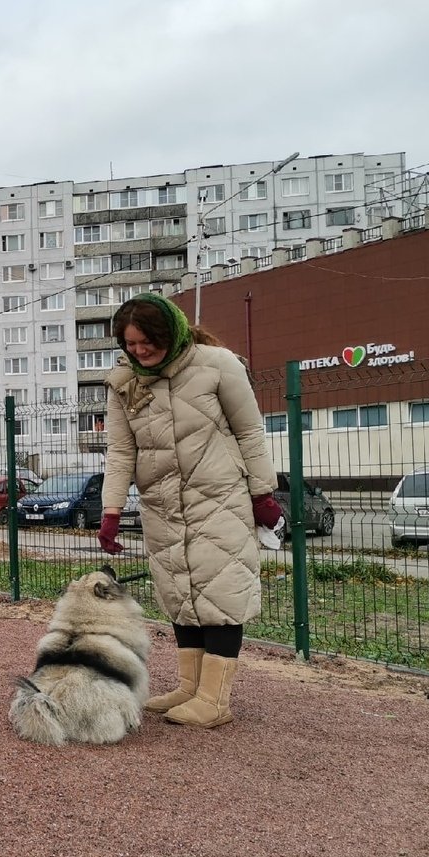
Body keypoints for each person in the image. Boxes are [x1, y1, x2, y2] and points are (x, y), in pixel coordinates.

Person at [97, 292, 282, 729]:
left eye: (147, 342)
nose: (139, 352)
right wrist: (111, 510)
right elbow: (120, 451)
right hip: (161, 503)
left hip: (217, 496)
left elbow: (250, 432)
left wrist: (263, 494)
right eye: (130, 344)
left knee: (220, 590)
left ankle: (214, 701)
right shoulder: (124, 380)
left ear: (170, 334)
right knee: (180, 592)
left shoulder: (217, 364)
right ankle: (190, 686)